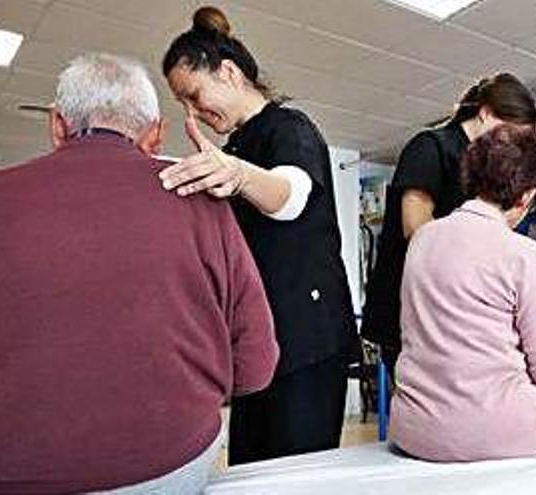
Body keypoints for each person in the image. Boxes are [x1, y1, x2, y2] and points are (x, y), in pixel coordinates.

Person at [0, 53, 278, 494]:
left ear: (57, 125)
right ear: (155, 135)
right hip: (163, 464)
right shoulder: (200, 200)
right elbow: (256, 365)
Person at [160, 6, 360, 465]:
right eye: (183, 105)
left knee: (293, 474)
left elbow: (289, 196)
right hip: (258, 345)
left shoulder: (290, 128)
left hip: (306, 343)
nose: (194, 112)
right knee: (249, 469)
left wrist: (235, 172)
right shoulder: (236, 147)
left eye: (194, 95)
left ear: (228, 72)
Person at [390, 125, 536, 462]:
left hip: (414, 428)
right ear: (527, 194)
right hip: (487, 426)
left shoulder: (422, 239)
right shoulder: (523, 253)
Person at [361, 74, 536, 378]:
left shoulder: (486, 171)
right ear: (485, 114)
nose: (513, 146)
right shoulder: (430, 147)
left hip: (458, 308)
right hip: (413, 307)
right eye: (511, 134)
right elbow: (417, 231)